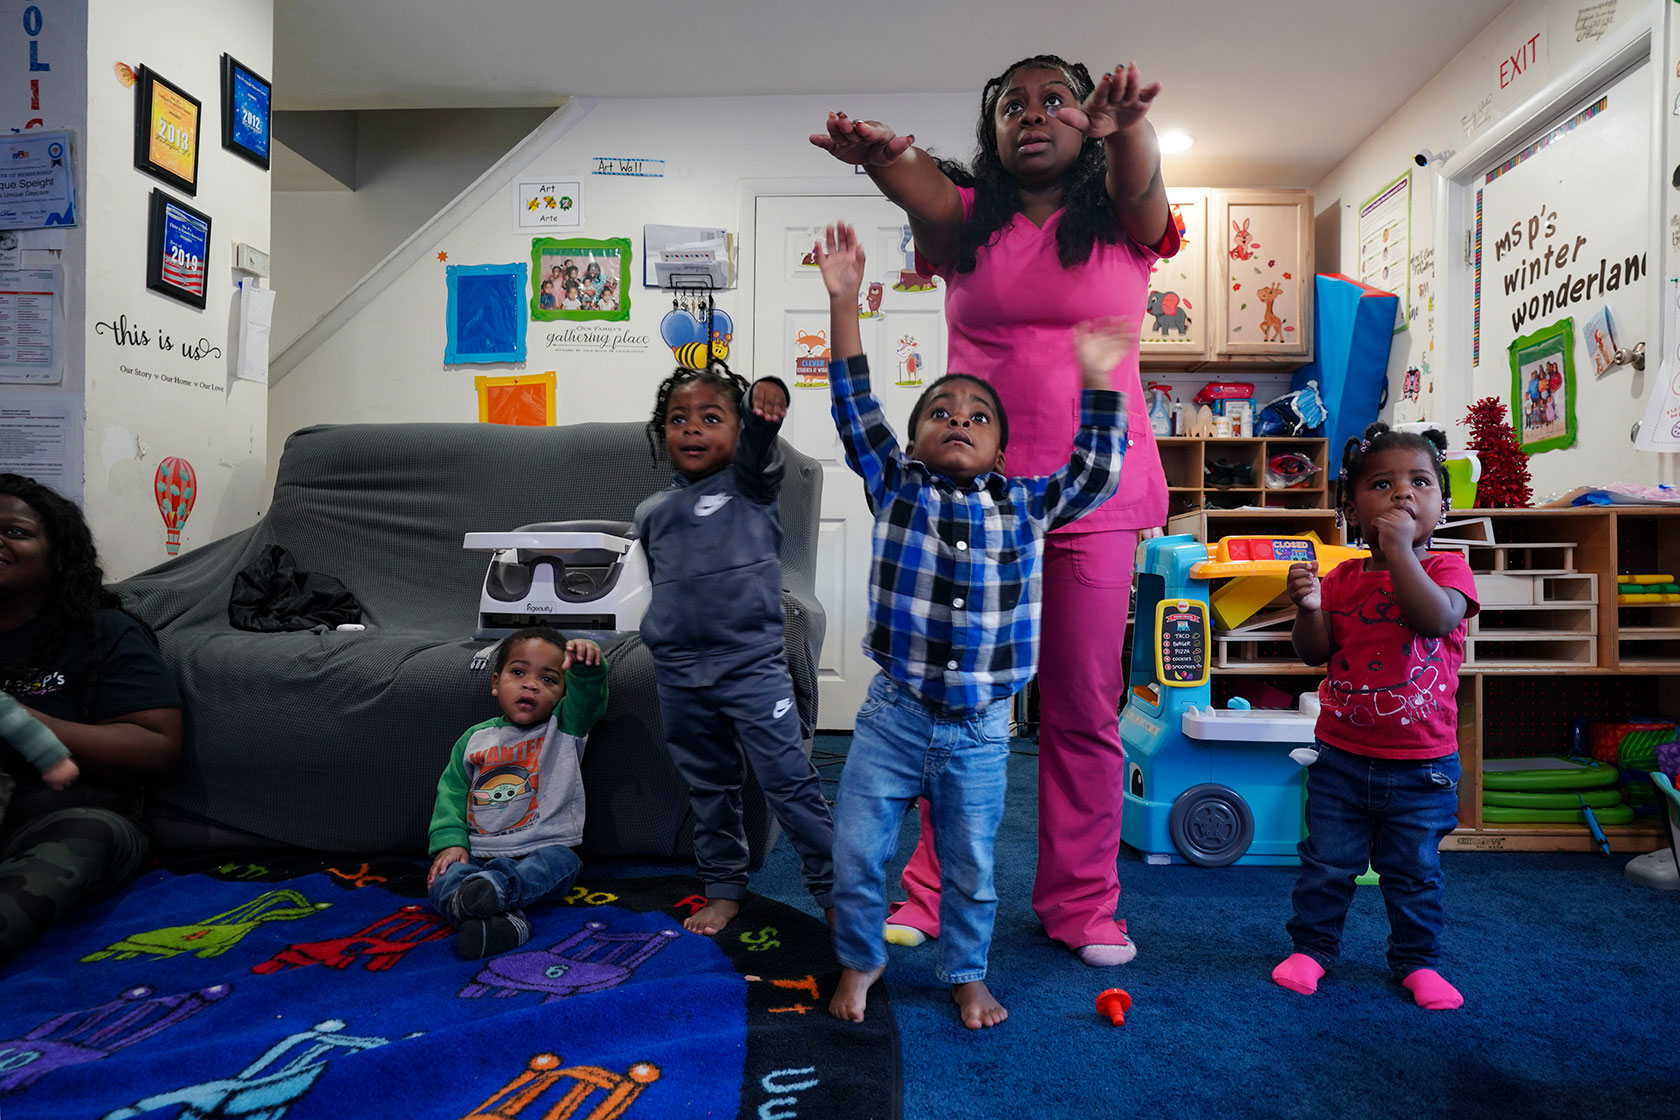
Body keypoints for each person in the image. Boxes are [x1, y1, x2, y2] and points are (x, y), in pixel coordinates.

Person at [810, 55, 1177, 966]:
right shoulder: (972, 224)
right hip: (965, 503)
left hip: (1093, 491)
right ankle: (931, 893)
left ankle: (1082, 905)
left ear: (1085, 122)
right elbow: (924, 192)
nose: (1033, 115)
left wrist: (1127, 125)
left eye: (1056, 100)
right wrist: (881, 155)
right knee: (945, 700)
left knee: (1082, 710)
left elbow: (1144, 181)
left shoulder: (1125, 226)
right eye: (1013, 105)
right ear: (993, 131)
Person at [815, 223, 1131, 1029]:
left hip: (983, 730)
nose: (959, 418)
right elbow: (854, 400)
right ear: (916, 438)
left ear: (1001, 448)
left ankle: (965, 973)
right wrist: (845, 299)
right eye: (940, 411)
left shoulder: (1025, 502)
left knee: (971, 867)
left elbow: (1095, 468)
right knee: (855, 854)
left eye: (979, 415)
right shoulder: (895, 482)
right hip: (894, 716)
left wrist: (1101, 379)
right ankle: (859, 960)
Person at [1274, 424, 1478, 1011]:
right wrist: (1310, 608)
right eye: (1382, 485)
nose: (1402, 496)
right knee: (1325, 866)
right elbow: (1314, 651)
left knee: (1414, 874)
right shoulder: (1341, 579)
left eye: (1419, 483)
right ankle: (1312, 949)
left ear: (1441, 503)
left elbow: (1435, 619)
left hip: (1422, 766)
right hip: (1341, 756)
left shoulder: (1447, 572)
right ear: (1351, 509)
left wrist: (1397, 554)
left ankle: (1417, 962)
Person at [635, 362, 834, 937]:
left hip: (751, 671)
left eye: (711, 418)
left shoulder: (749, 487)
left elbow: (759, 460)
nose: (693, 429)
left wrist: (763, 422)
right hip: (678, 675)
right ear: (661, 431)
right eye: (679, 419)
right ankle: (724, 888)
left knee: (788, 780)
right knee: (709, 784)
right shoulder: (652, 514)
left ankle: (835, 892)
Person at [0, 474, 183, 965]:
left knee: (85, 836)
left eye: (16, 531)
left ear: (58, 554)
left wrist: (20, 719)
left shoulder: (104, 632)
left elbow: (157, 747)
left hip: (60, 817)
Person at [427, 626, 608, 959]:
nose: (531, 684)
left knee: (563, 863)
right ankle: (496, 920)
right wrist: (451, 842)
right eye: (518, 672)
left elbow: (589, 698)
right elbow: (452, 791)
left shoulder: (565, 727)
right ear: (496, 683)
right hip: (480, 851)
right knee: (441, 879)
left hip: (540, 847)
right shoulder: (474, 739)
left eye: (549, 680)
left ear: (564, 693)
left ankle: (488, 894)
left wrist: (585, 668)